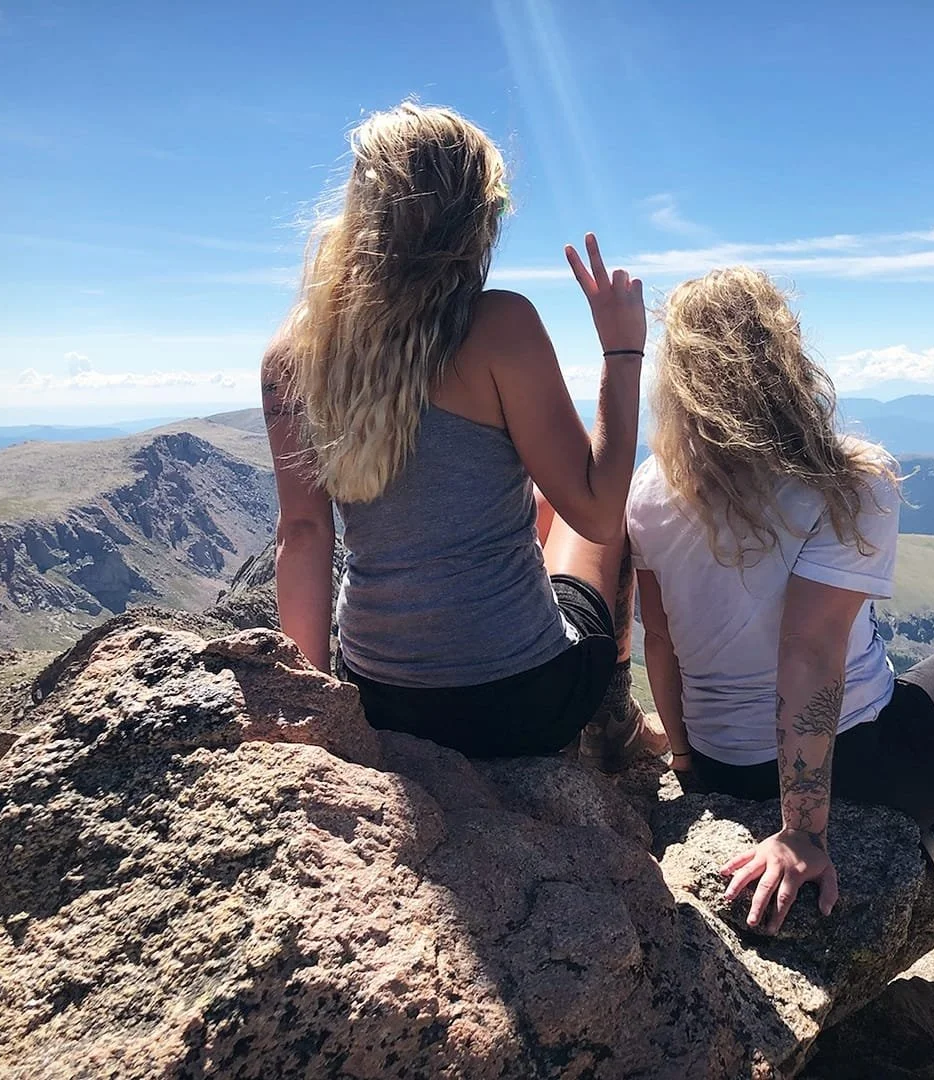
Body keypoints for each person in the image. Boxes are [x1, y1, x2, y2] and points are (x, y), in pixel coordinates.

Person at [628, 267, 934, 934]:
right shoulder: (846, 478)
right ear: (786, 356)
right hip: (864, 766)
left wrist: (689, 765)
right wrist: (801, 831)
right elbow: (811, 651)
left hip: (723, 762)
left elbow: (661, 640)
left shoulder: (650, 487)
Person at [262, 101, 656, 764]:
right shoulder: (500, 325)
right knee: (618, 517)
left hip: (382, 698)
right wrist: (622, 354)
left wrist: (316, 708)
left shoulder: (294, 354)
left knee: (530, 501)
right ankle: (614, 721)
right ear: (472, 221)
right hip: (523, 701)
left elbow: (302, 535)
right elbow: (597, 509)